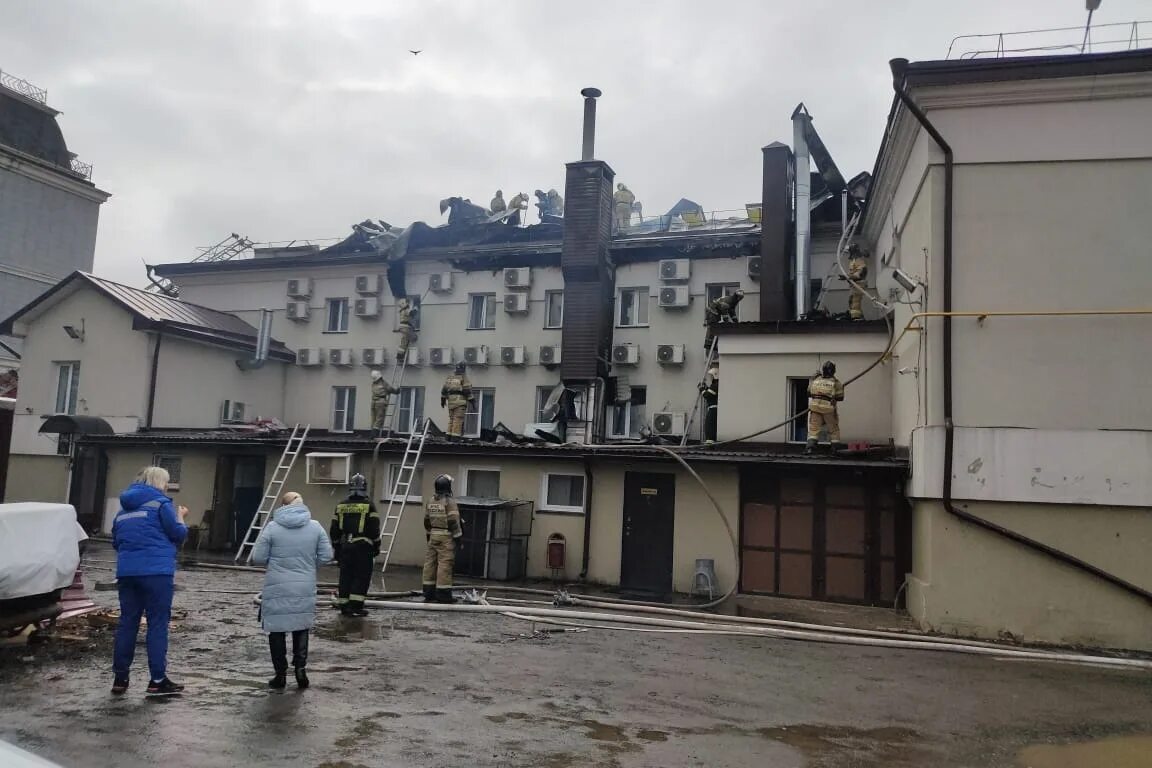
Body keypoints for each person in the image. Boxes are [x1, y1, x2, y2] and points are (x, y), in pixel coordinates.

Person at [110, 466, 188, 696]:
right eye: (166, 482)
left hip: (127, 573)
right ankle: (157, 680)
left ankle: (120, 679)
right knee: (157, 624)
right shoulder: (161, 505)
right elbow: (178, 534)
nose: (167, 486)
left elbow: (116, 542)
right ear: (160, 483)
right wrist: (181, 517)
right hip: (156, 572)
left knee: (127, 623)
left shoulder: (122, 511)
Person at [251, 491, 333, 690]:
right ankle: (300, 671)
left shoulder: (272, 528)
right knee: (301, 625)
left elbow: (258, 557)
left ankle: (280, 675)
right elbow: (327, 555)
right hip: (304, 584)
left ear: (283, 506)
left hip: (277, 584)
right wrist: (308, 566)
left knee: (276, 629)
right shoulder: (315, 527)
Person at [329, 474, 379, 617]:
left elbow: (334, 529)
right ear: (364, 487)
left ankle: (344, 606)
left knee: (345, 576)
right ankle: (355, 607)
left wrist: (337, 547)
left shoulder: (341, 505)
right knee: (361, 576)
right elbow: (374, 529)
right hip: (363, 547)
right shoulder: (369, 505)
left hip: (345, 546)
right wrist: (376, 545)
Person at [422, 474, 463, 603]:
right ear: (448, 487)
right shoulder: (449, 502)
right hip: (446, 537)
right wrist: (458, 539)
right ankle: (443, 594)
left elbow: (426, 521)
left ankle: (428, 592)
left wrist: (429, 536)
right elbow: (453, 521)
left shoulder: (431, 501)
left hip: (433, 535)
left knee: (430, 564)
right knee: (445, 565)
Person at [806, 361, 845, 454]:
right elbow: (841, 397)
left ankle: (810, 448)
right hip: (828, 408)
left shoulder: (816, 380)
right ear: (833, 371)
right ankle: (835, 449)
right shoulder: (835, 382)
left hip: (815, 407)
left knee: (813, 429)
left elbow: (808, 393)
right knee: (833, 429)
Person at [440, 363, 473, 439]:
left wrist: (443, 400)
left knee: (451, 419)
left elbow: (444, 390)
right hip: (460, 402)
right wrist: (473, 402)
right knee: (458, 419)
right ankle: (455, 437)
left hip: (451, 402)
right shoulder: (463, 377)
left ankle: (448, 436)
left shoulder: (450, 378)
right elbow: (467, 391)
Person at [842, 245, 869, 321]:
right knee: (851, 300)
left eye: (849, 252)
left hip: (859, 283)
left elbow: (861, 272)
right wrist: (847, 277)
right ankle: (856, 316)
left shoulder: (858, 260)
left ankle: (857, 317)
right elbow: (853, 272)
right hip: (854, 284)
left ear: (853, 252)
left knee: (855, 300)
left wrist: (849, 277)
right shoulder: (854, 261)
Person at [699, 363, 719, 444]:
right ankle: (710, 443)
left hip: (713, 409)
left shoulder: (715, 385)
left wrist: (701, 389)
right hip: (714, 409)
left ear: (715, 375)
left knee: (709, 426)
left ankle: (710, 444)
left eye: (711, 376)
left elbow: (707, 395)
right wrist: (706, 388)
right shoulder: (716, 385)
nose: (711, 377)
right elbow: (710, 392)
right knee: (710, 426)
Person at [396, 298, 419, 363]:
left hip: (402, 328)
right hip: (405, 328)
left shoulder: (402, 311)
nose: (408, 303)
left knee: (403, 343)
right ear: (404, 303)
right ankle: (400, 357)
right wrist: (416, 309)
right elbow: (412, 313)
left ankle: (399, 356)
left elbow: (407, 320)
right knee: (414, 337)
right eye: (407, 302)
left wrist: (411, 326)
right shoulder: (405, 310)